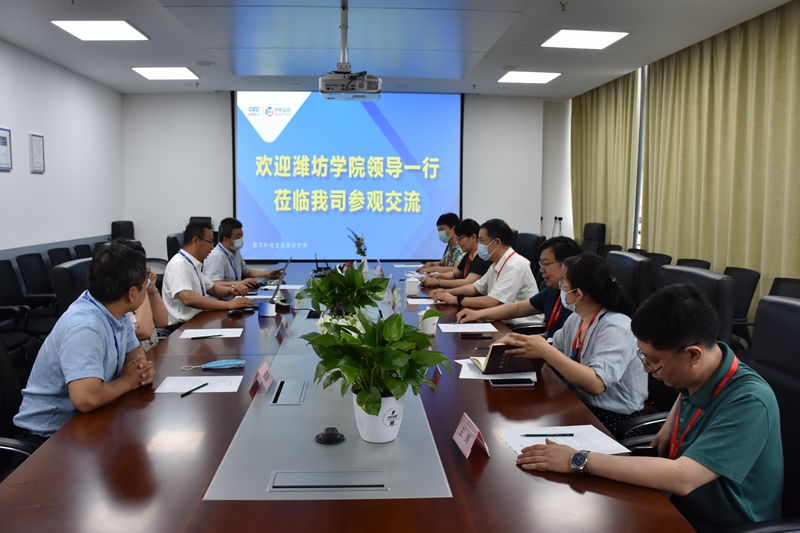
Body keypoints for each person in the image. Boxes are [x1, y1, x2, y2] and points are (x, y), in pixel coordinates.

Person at [516, 284, 783, 532]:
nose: (646, 369)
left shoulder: (749, 401)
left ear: (693, 355)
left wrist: (577, 459)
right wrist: (670, 423)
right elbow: (688, 396)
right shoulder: (703, 371)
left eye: (654, 362)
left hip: (718, 523)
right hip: (675, 502)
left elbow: (684, 478)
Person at [13, 244, 156, 448]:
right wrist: (127, 381)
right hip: (48, 437)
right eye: (146, 284)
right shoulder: (84, 327)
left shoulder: (116, 310)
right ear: (132, 293)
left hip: (89, 420)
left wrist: (139, 374)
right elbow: (86, 398)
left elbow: (137, 360)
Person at [500, 253, 647, 434]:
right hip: (577, 402)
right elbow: (554, 350)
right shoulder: (577, 319)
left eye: (563, 284)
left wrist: (545, 351)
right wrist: (514, 344)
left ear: (578, 293)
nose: (560, 288)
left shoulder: (616, 327)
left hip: (611, 418)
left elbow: (596, 384)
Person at [456, 236, 582, 338]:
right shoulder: (551, 291)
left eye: (546, 263)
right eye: (541, 264)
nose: (541, 270)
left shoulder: (579, 300)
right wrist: (478, 314)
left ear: (567, 264)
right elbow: (517, 308)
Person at [429, 218, 539, 326]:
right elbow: (475, 287)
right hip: (501, 320)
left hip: (521, 327)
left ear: (496, 242)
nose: (479, 244)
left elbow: (492, 301)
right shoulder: (497, 262)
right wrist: (447, 292)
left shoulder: (514, 265)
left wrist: (455, 300)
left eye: (481, 240)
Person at [162, 221, 255, 326]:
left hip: (198, 320)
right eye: (210, 242)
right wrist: (228, 305)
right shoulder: (179, 264)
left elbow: (213, 288)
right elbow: (188, 298)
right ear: (196, 240)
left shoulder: (193, 264)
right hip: (181, 327)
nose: (212, 247)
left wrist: (232, 290)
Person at [114, 238, 168, 351]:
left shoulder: (140, 288)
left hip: (153, 353)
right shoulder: (117, 297)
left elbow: (162, 321)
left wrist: (151, 289)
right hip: (138, 358)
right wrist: (142, 285)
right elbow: (144, 332)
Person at [204, 217, 282, 290]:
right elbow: (213, 284)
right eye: (238, 237)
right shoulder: (216, 256)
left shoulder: (235, 252)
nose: (241, 240)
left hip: (235, 295)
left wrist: (268, 274)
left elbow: (247, 272)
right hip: (221, 298)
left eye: (241, 236)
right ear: (226, 239)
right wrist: (240, 283)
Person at [420, 219, 491, 289]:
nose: (458, 242)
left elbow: (467, 282)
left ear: (473, 237)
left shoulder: (482, 257)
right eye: (457, 239)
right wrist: (438, 276)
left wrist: (438, 282)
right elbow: (454, 274)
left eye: (460, 239)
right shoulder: (468, 255)